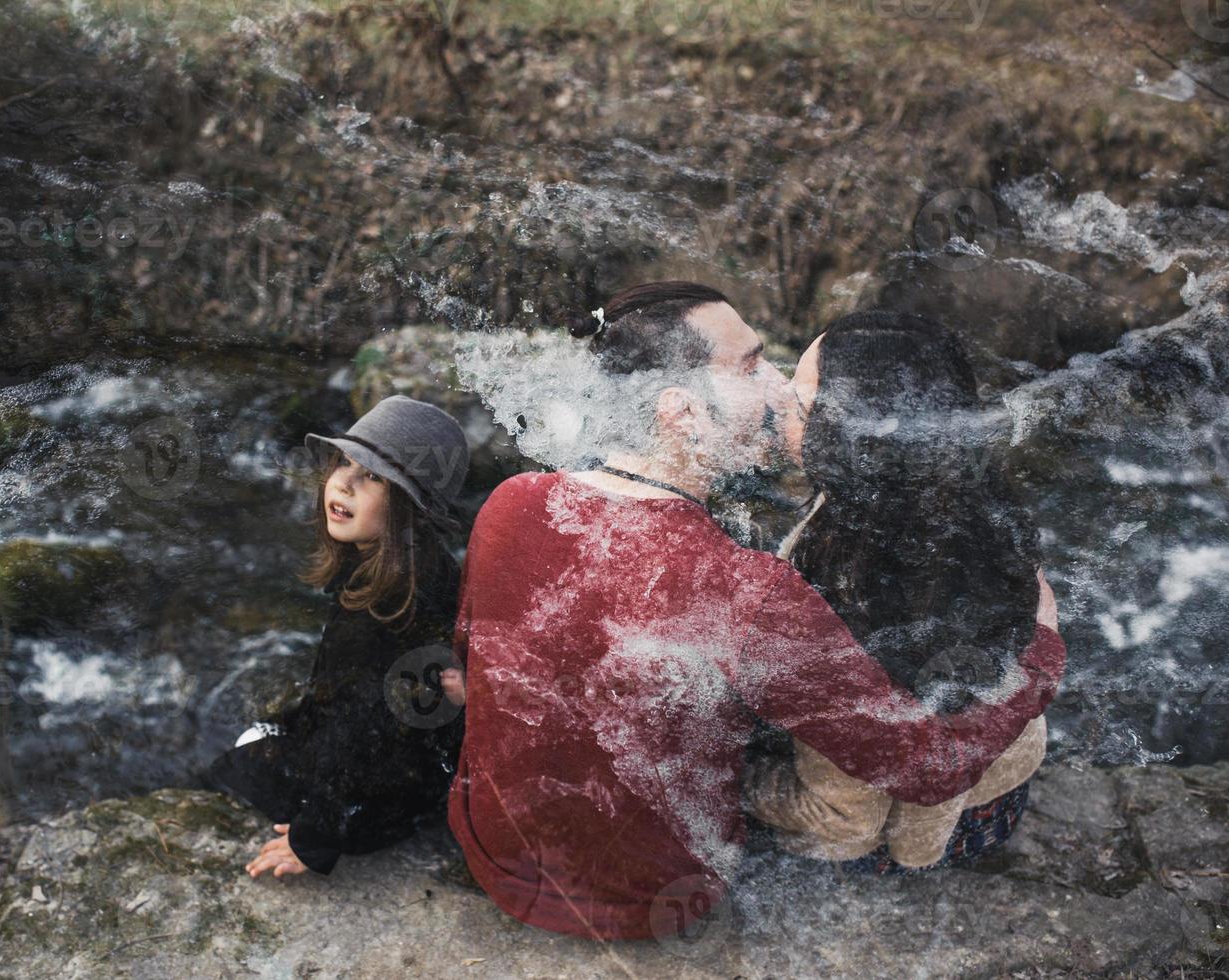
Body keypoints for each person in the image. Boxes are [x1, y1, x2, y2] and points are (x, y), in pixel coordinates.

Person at [442, 282, 1065, 940]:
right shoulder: (746, 591)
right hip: (649, 894)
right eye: (749, 366)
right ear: (681, 412)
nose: (774, 386)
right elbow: (925, 767)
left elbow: (475, 663)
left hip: (492, 849)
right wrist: (1044, 655)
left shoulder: (512, 499)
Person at [745, 311, 1063, 871]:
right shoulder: (977, 503)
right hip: (1002, 792)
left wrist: (738, 782)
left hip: (921, 830)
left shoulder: (841, 607)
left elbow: (853, 823)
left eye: (797, 401)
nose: (773, 397)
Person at [205, 395, 468, 879]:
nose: (342, 483)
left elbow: (361, 733)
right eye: (344, 463)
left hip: (380, 801)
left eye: (372, 477)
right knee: (269, 729)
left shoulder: (388, 611)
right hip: (412, 774)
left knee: (237, 762)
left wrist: (314, 838)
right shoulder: (413, 567)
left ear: (410, 507)